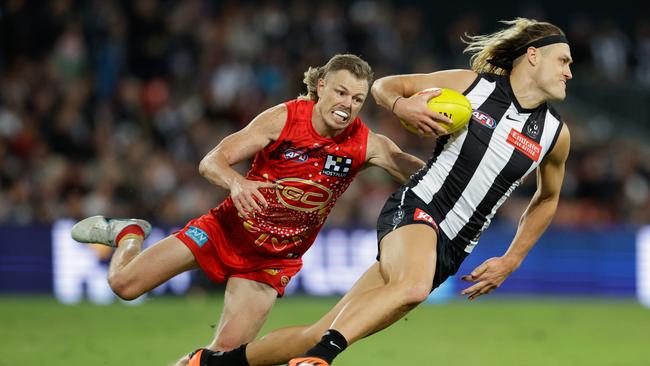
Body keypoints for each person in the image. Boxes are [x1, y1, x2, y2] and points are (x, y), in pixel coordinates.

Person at [196, 17, 572, 366]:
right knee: (411, 288)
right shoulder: (471, 85)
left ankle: (209, 363)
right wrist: (401, 105)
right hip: (418, 208)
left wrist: (511, 260)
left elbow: (547, 198)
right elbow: (384, 86)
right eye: (563, 61)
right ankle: (320, 360)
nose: (569, 72)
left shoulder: (555, 136)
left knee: (319, 330)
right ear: (533, 56)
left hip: (453, 247)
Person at [69, 54, 439, 365]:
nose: (347, 104)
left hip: (271, 261)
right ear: (321, 85)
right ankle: (129, 234)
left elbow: (423, 173)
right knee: (123, 285)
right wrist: (237, 182)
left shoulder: (366, 144)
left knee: (223, 358)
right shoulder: (283, 118)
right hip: (225, 229)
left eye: (357, 99)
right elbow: (212, 161)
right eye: (341, 92)